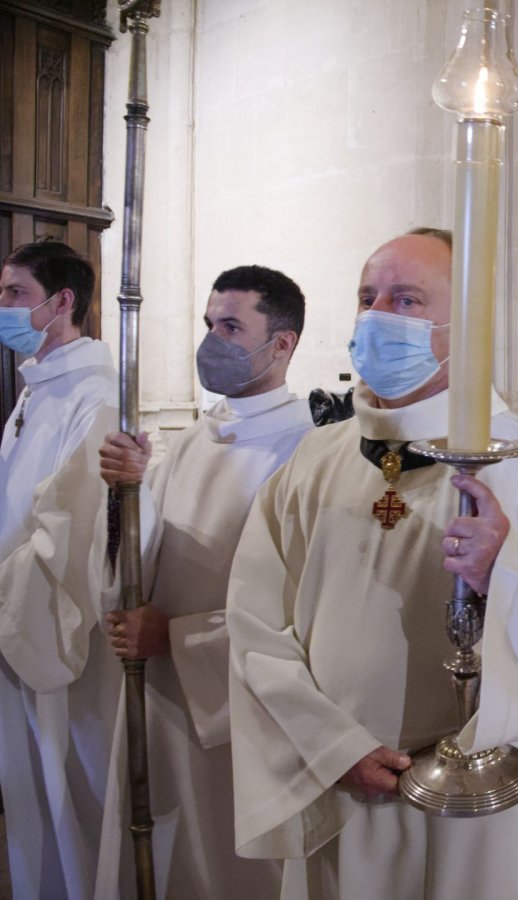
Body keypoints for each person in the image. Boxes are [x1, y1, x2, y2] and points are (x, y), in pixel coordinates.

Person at [225, 229, 518, 899]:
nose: (377, 318)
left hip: (482, 801)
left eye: (406, 299)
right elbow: (253, 619)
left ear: (467, 325)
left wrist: (509, 573)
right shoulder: (315, 461)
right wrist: (331, 745)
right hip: (346, 783)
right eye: (367, 298)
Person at [94, 265, 312, 898]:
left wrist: (182, 638)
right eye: (209, 323)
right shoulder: (191, 440)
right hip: (161, 694)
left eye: (231, 326)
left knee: (230, 863)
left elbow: (304, 602)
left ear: (283, 343)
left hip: (235, 704)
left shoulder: (309, 451)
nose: (213, 340)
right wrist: (127, 494)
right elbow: (140, 564)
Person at [0, 241, 122, 899]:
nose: (4, 307)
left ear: (63, 301)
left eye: (15, 293)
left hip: (50, 626)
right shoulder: (36, 390)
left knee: (67, 792)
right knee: (28, 801)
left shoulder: (94, 396)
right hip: (14, 620)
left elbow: (71, 532)